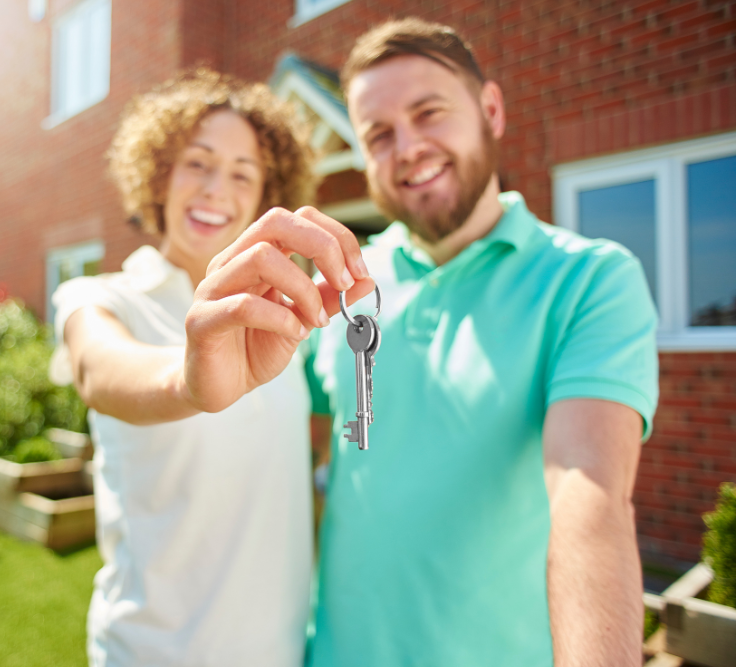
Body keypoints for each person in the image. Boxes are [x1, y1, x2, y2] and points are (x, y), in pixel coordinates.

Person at [182, 17, 658, 667]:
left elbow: (590, 501)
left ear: (490, 109)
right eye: (378, 134)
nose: (406, 147)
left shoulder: (590, 279)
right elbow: (291, 471)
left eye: (428, 113)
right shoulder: (338, 291)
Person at [48, 70, 370, 667]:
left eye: (242, 173)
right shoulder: (101, 297)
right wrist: (189, 379)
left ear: (263, 193)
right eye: (197, 163)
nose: (217, 188)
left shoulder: (281, 320)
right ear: (160, 174)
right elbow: (100, 369)